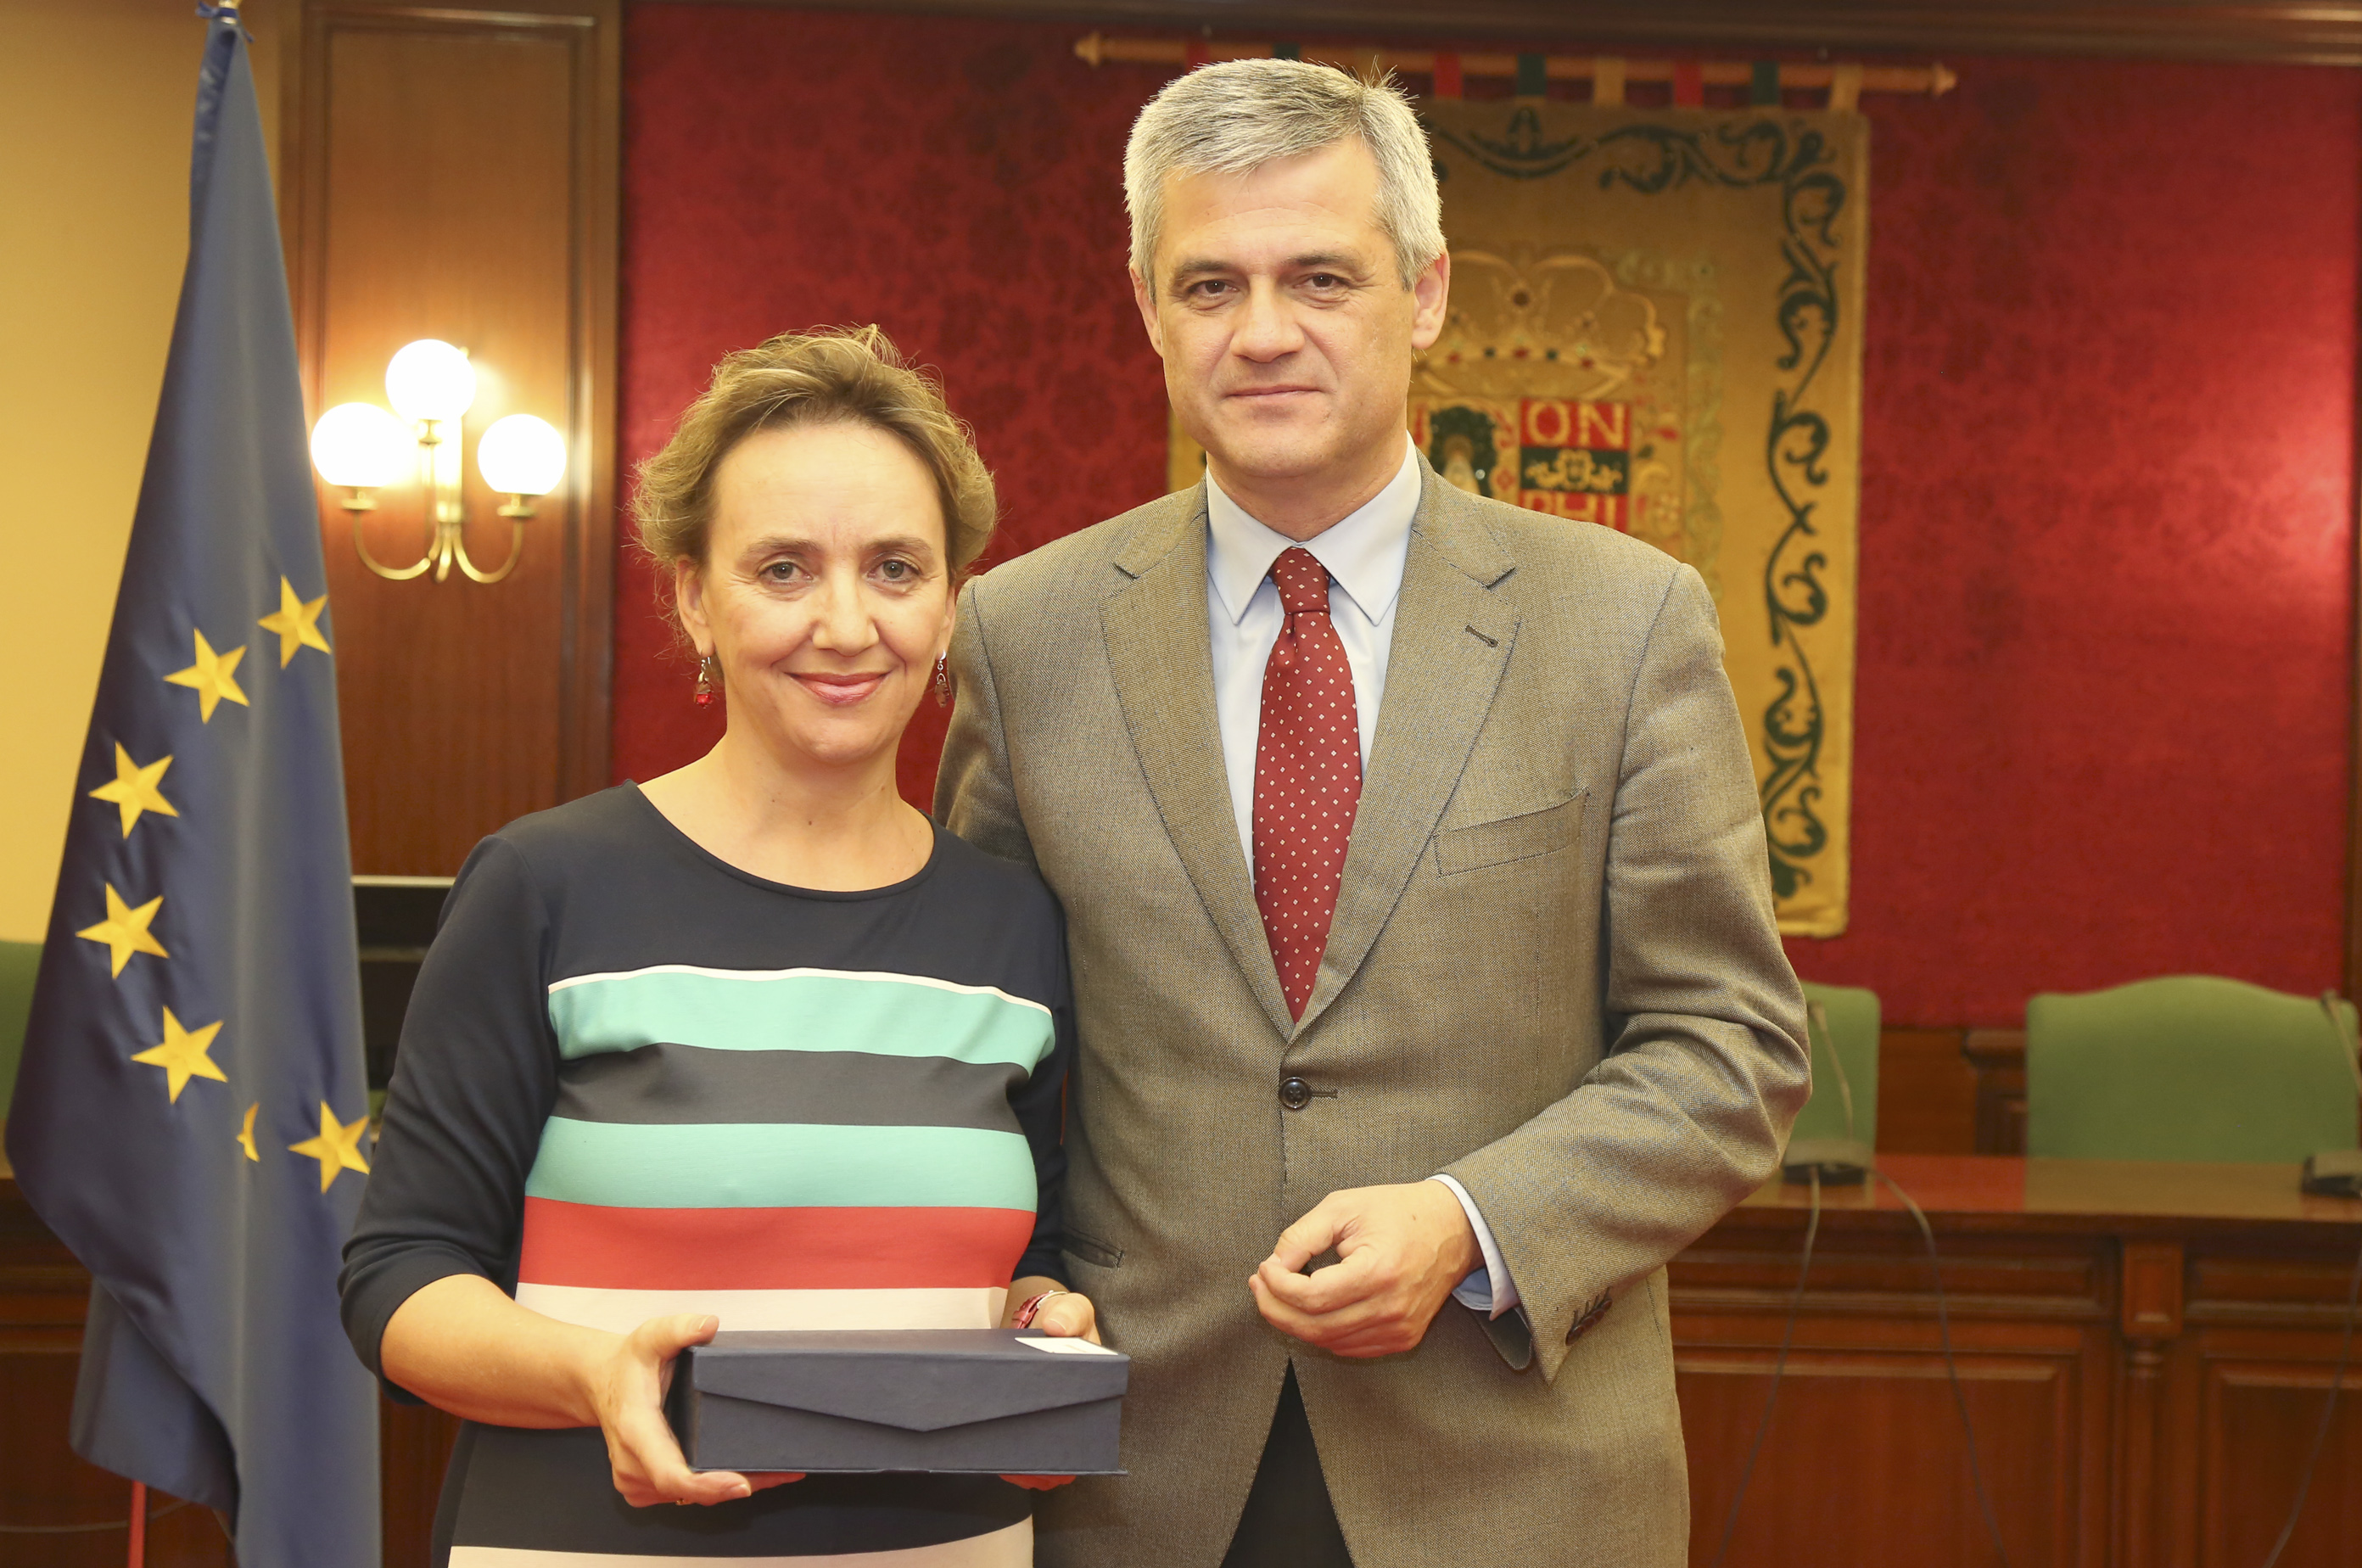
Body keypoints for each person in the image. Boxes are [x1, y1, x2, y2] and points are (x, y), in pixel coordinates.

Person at [936, 62, 1809, 1568]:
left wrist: (1473, 1220)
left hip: (1514, 1476)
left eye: (1321, 277)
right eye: (1211, 283)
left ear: (1426, 293)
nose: (1264, 330)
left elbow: (1730, 1045)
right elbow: (985, 1047)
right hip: (1131, 1474)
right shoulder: (1024, 634)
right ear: (1150, 311)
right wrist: (1012, 1271)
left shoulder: (1623, 623)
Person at [342, 327, 1095, 1568]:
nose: (845, 624)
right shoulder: (547, 887)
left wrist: (1045, 1319)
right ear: (694, 596)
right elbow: (400, 1278)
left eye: (895, 568)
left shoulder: (1015, 924)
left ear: (951, 601)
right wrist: (601, 1376)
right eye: (784, 569)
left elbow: (1032, 1257)